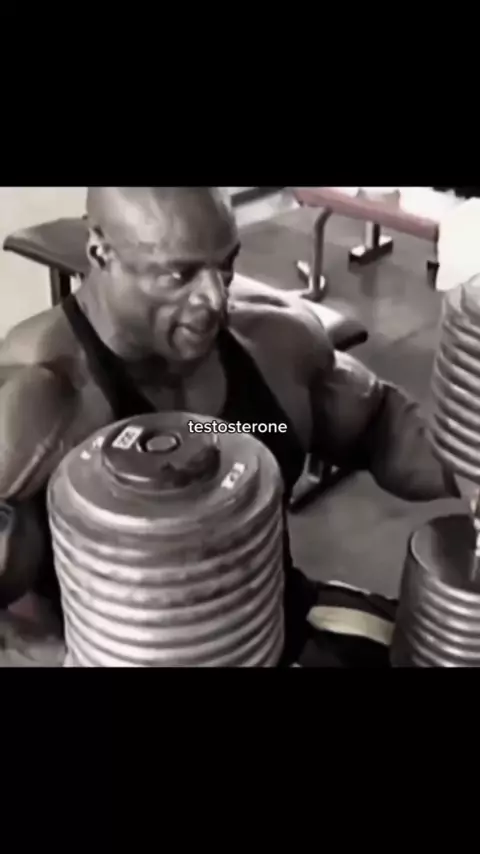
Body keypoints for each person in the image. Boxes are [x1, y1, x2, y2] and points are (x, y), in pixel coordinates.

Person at [0, 187, 459, 666]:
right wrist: (65, 657)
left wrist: (468, 472)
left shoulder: (270, 339)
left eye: (225, 265)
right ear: (100, 252)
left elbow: (378, 423)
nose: (215, 299)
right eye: (179, 274)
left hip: (274, 623)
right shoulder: (37, 400)